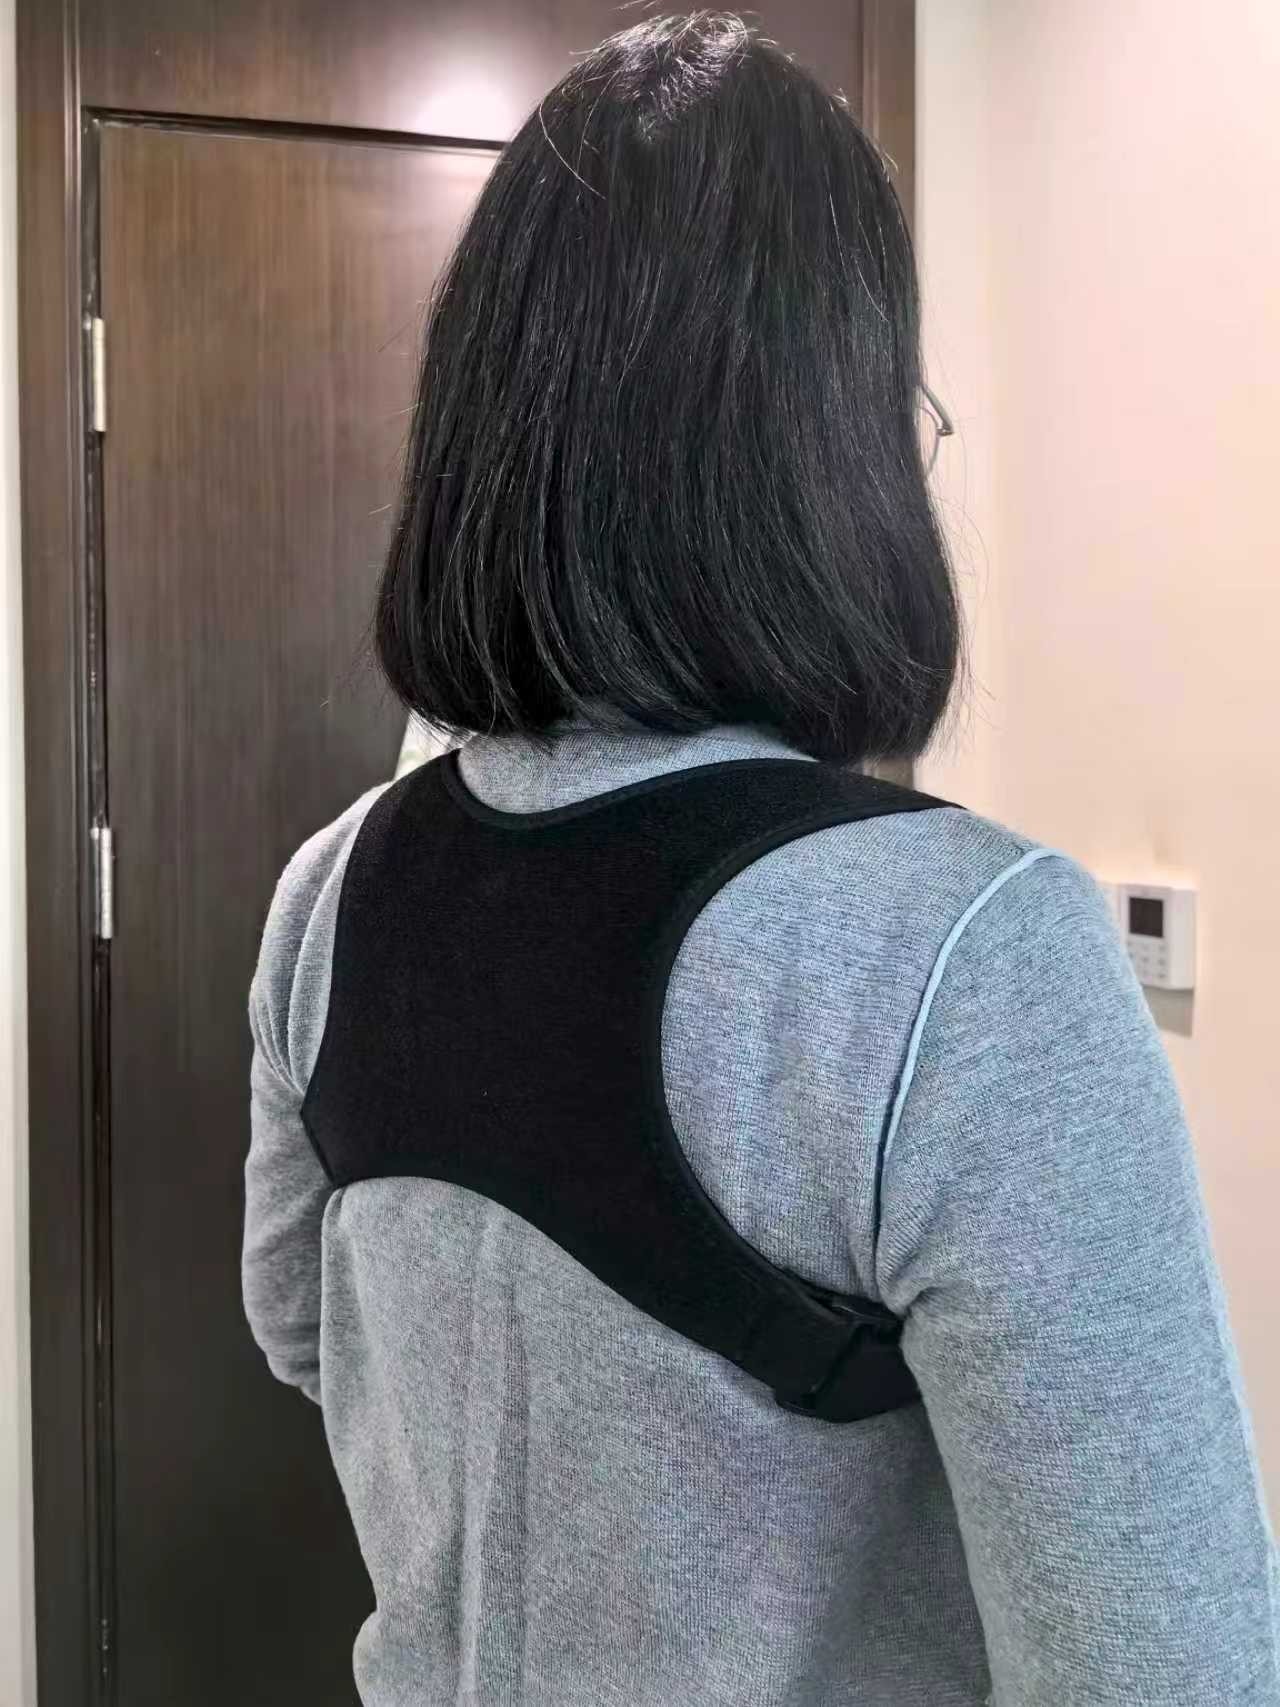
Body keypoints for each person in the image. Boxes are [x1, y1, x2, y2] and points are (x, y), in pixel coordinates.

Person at [243, 14, 1277, 1705]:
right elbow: (1164, 1659)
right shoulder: (967, 952)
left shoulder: (334, 892)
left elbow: (308, 1334)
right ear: (831, 454)